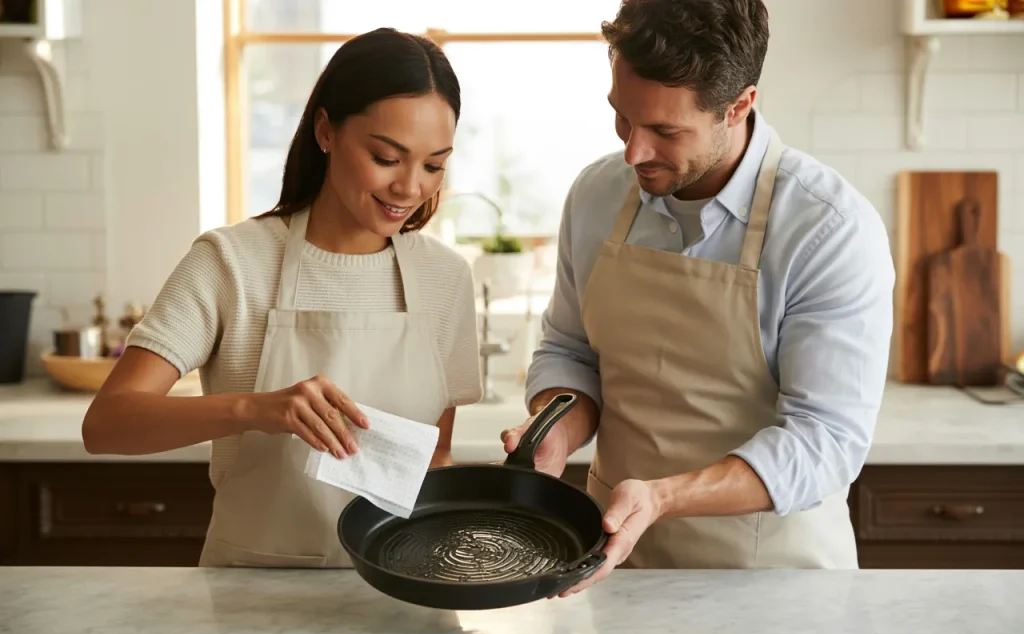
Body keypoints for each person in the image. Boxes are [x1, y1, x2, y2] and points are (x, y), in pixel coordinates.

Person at [501, 0, 894, 592]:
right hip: (614, 568)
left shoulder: (828, 229)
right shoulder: (596, 194)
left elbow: (825, 440)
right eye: (622, 118)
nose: (634, 152)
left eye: (665, 131)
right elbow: (571, 350)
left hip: (773, 585)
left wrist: (664, 496)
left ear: (739, 106)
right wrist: (552, 431)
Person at [82, 28, 483, 568]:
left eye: (434, 165)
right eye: (387, 157)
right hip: (252, 597)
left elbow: (434, 459)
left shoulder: (446, 278)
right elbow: (107, 425)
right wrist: (254, 408)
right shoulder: (231, 261)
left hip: (403, 594)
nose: (410, 188)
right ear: (326, 130)